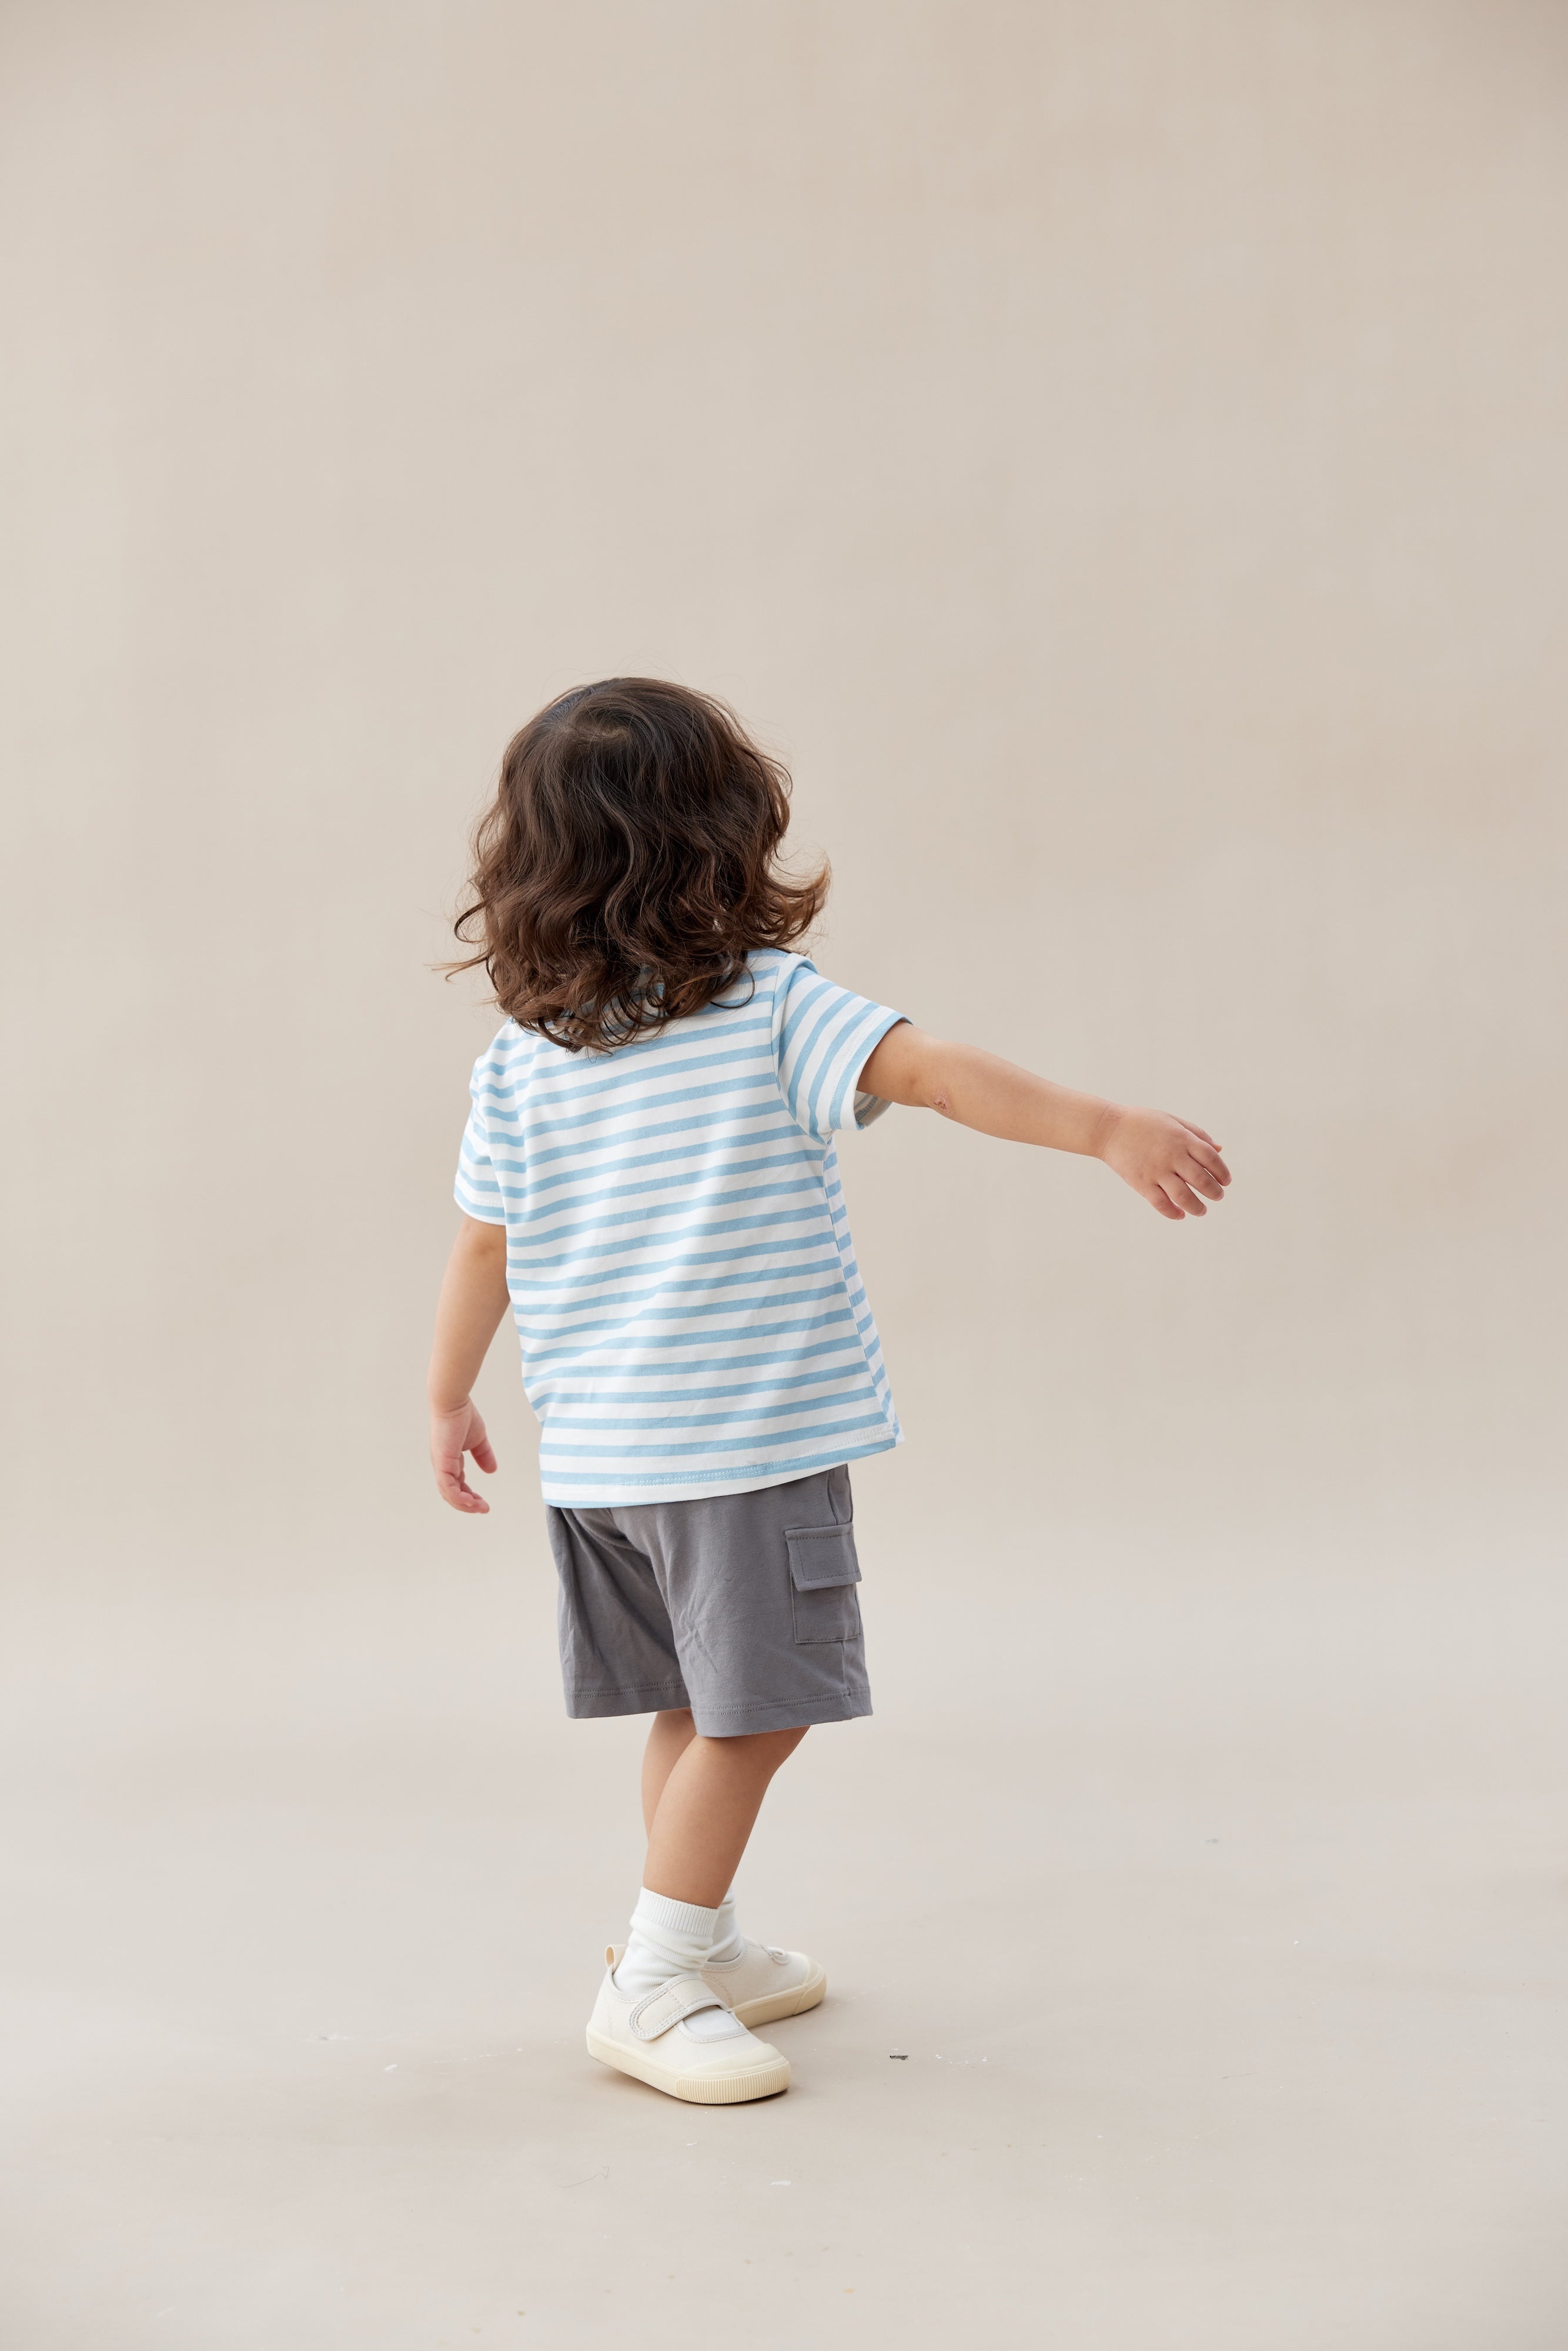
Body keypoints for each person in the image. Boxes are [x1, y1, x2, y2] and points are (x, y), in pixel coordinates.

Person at [427, 677, 1231, 2106]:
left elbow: (482, 1241)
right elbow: (927, 1073)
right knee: (754, 1712)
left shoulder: (524, 1059)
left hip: (603, 1461)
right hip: (736, 1447)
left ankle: (703, 1938)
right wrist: (1100, 1125)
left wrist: (446, 1396)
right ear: (726, 840)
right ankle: (653, 1978)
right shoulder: (764, 1008)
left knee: (692, 1700)